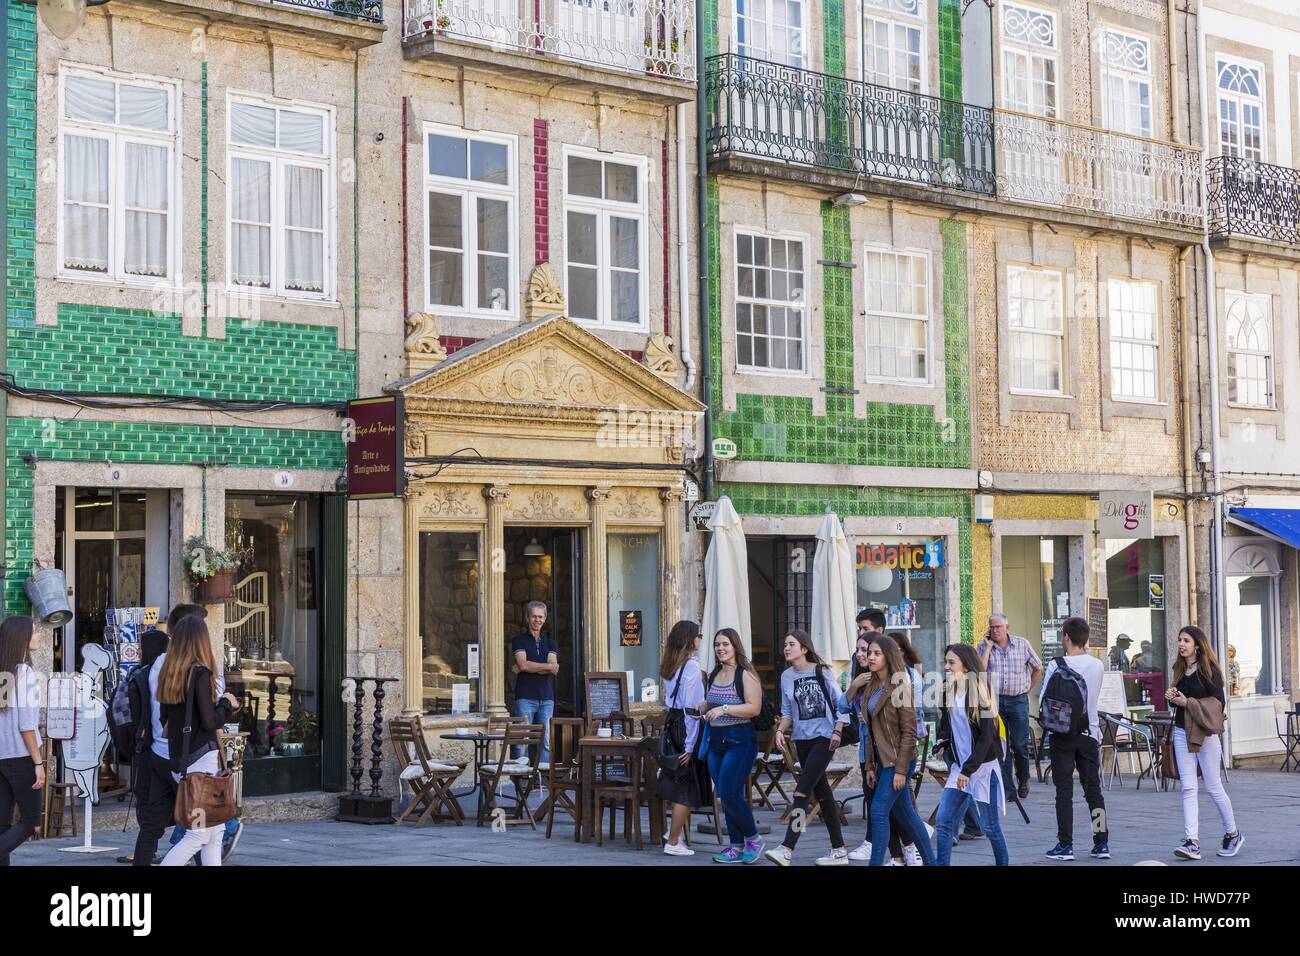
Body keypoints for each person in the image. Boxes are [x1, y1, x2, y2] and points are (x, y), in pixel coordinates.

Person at [161, 604, 243, 864]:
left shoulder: (171, 673)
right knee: (197, 836)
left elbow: (165, 719)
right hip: (201, 761)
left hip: (179, 756)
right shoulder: (200, 673)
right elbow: (210, 721)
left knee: (215, 832)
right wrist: (226, 704)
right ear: (201, 640)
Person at [840, 633, 930, 864]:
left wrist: (901, 770)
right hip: (881, 762)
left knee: (879, 812)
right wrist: (870, 765)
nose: (870, 657)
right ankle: (933, 862)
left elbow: (909, 733)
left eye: (876, 653)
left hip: (898, 761)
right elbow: (870, 732)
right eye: (869, 653)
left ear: (888, 657)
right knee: (908, 817)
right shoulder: (870, 685)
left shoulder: (900, 685)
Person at [766, 629, 850, 866]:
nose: (786, 648)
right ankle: (839, 849)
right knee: (823, 795)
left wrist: (837, 730)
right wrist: (780, 731)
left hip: (825, 738)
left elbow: (841, 704)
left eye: (791, 644)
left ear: (804, 648)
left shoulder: (822, 672)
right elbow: (787, 712)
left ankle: (787, 847)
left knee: (801, 792)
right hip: (801, 740)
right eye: (785, 644)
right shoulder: (786, 677)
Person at [1165, 626, 1242, 860]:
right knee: (1188, 787)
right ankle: (1192, 842)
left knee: (1213, 786)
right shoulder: (1179, 668)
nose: (1181, 644)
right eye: (1179, 640)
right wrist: (1173, 697)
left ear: (1197, 644)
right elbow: (1178, 704)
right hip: (1181, 731)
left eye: (1186, 640)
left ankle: (1233, 833)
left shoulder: (1210, 670)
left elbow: (1218, 703)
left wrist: (1187, 702)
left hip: (1205, 733)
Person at [932, 643, 1008, 866]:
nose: (946, 667)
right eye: (945, 662)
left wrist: (968, 769)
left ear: (965, 666)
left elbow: (986, 739)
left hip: (982, 768)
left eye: (951, 662)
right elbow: (947, 725)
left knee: (991, 827)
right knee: (944, 820)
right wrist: (943, 740)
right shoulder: (948, 690)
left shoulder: (981, 693)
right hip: (960, 767)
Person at [1040, 616, 1109, 861]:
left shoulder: (1056, 664)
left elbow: (1044, 701)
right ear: (1086, 638)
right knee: (1093, 791)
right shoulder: (1098, 665)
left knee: (1064, 792)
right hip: (1089, 734)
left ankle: (1065, 844)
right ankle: (1101, 843)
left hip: (1062, 736)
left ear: (1066, 638)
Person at [701, 628, 764, 864]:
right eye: (717, 645)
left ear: (735, 646)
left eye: (725, 644)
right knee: (728, 796)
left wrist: (724, 709)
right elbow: (713, 701)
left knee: (728, 792)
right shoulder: (715, 673)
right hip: (716, 741)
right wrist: (704, 705)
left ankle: (754, 839)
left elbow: (753, 708)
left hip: (740, 739)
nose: (720, 648)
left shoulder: (746, 674)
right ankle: (736, 846)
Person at [979, 612, 1043, 799]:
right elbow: (979, 671)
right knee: (1001, 746)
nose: (995, 630)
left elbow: (1038, 666)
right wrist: (988, 647)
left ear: (1007, 628)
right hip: (995, 701)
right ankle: (1008, 788)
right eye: (992, 627)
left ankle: (1023, 779)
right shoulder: (983, 646)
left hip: (1018, 701)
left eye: (998, 627)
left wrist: (1027, 688)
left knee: (1019, 744)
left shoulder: (1022, 644)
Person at [657, 620, 705, 857]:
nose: (700, 639)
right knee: (686, 786)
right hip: (685, 726)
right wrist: (690, 745)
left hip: (671, 723)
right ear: (690, 639)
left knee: (677, 781)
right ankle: (674, 840)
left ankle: (671, 833)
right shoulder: (692, 667)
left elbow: (670, 701)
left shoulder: (670, 665)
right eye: (699, 635)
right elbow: (693, 709)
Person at [123, 627, 170, 866]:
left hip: (147, 745)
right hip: (159, 745)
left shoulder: (142, 674)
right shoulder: (154, 674)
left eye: (142, 647)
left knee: (149, 801)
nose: (139, 651)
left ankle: (150, 847)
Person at [0, 616, 44, 866]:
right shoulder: (24, 672)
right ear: (22, 639)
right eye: (34, 632)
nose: (37, 636)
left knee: (2, 824)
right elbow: (26, 725)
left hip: (2, 756)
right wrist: (38, 762)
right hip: (20, 757)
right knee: (30, 822)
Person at [511, 601, 558, 766]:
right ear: (527, 617)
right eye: (534, 616)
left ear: (545, 619)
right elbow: (523, 664)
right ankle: (519, 779)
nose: (537, 620)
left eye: (540, 616)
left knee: (545, 741)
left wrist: (528, 666)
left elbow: (555, 668)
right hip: (525, 697)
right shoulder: (519, 640)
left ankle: (543, 779)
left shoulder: (550, 642)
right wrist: (544, 666)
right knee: (522, 740)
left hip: (547, 698)